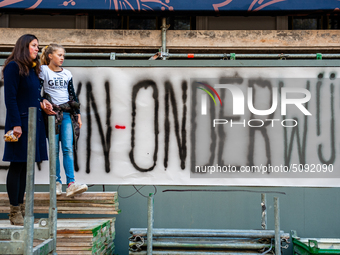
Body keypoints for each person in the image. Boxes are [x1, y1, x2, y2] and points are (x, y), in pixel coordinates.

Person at [2, 34, 50, 225]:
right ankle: (14, 211)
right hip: (20, 124)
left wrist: (42, 102)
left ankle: (23, 210)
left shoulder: (33, 70)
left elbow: (33, 96)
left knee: (26, 167)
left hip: (34, 122)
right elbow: (10, 98)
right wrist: (16, 125)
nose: (37, 49)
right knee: (17, 165)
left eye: (37, 46)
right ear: (24, 47)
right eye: (34, 46)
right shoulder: (14, 67)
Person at [40, 43, 88, 197]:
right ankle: (56, 182)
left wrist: (78, 114)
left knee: (67, 148)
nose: (62, 58)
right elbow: (37, 91)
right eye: (59, 55)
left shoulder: (67, 73)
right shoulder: (43, 70)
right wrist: (42, 103)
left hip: (66, 114)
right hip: (51, 114)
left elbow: (72, 95)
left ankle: (71, 183)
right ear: (50, 56)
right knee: (54, 150)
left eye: (63, 56)